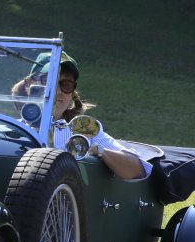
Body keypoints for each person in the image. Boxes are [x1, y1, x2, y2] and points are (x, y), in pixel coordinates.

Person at [20, 52, 150, 181]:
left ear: (72, 93)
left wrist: (97, 151)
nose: (58, 91)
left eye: (66, 85)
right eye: (49, 82)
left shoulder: (83, 130)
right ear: (29, 85)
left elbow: (138, 169)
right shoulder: (16, 129)